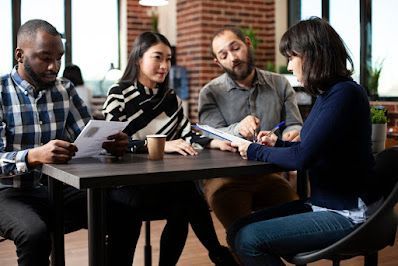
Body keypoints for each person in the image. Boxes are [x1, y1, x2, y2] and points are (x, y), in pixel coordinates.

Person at [229, 17, 384, 265]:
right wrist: (276, 144)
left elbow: (303, 158)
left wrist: (255, 150)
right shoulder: (327, 95)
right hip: (325, 204)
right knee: (237, 229)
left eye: (292, 57)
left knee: (248, 239)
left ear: (312, 55)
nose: (289, 67)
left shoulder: (345, 94)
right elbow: (312, 150)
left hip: (349, 213)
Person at [0, 19, 129, 265]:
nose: (54, 66)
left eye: (59, 58)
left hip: (55, 187)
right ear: (20, 54)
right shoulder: (0, 92)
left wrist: (108, 143)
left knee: (124, 215)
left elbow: (86, 136)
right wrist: (33, 156)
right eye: (45, 57)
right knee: (34, 234)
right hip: (8, 191)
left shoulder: (65, 89)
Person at [102, 31, 238, 266]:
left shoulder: (170, 98)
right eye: (158, 57)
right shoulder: (119, 93)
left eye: (169, 59)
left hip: (158, 182)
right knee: (184, 197)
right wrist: (160, 145)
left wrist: (216, 142)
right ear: (138, 59)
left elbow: (187, 134)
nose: (165, 66)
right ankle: (218, 252)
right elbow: (112, 144)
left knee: (186, 196)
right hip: (125, 184)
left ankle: (213, 254)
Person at [198, 27, 303, 229]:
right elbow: (211, 135)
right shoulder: (210, 93)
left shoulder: (280, 84)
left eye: (235, 48)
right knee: (242, 234)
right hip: (225, 179)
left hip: (269, 174)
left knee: (298, 224)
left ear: (247, 42)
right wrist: (238, 128)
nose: (232, 58)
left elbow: (294, 122)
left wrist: (294, 132)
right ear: (217, 62)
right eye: (223, 55)